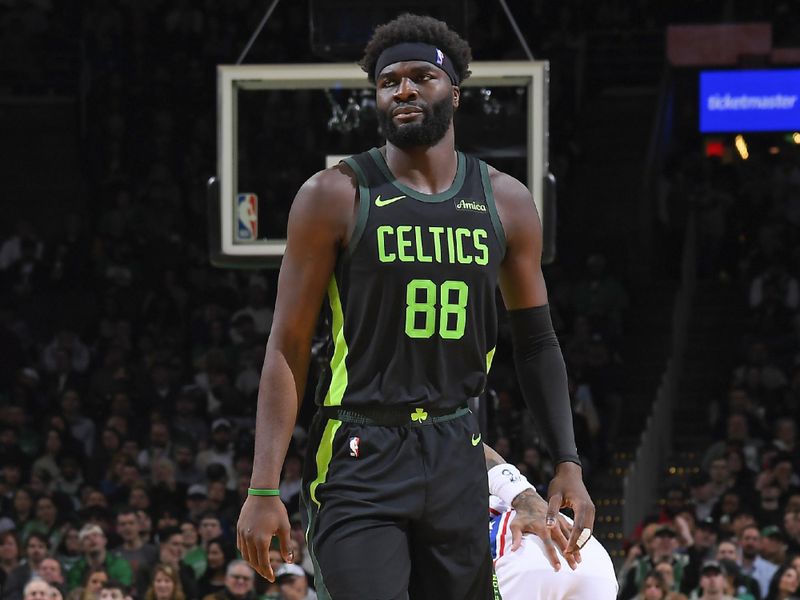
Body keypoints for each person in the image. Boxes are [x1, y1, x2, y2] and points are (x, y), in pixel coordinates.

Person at [236, 12, 594, 599]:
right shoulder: (334, 195)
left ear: (454, 89)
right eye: (388, 80)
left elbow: (536, 342)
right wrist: (264, 486)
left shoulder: (505, 200)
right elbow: (288, 346)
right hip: (360, 451)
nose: (403, 89)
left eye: (421, 76)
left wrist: (568, 461)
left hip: (458, 450)